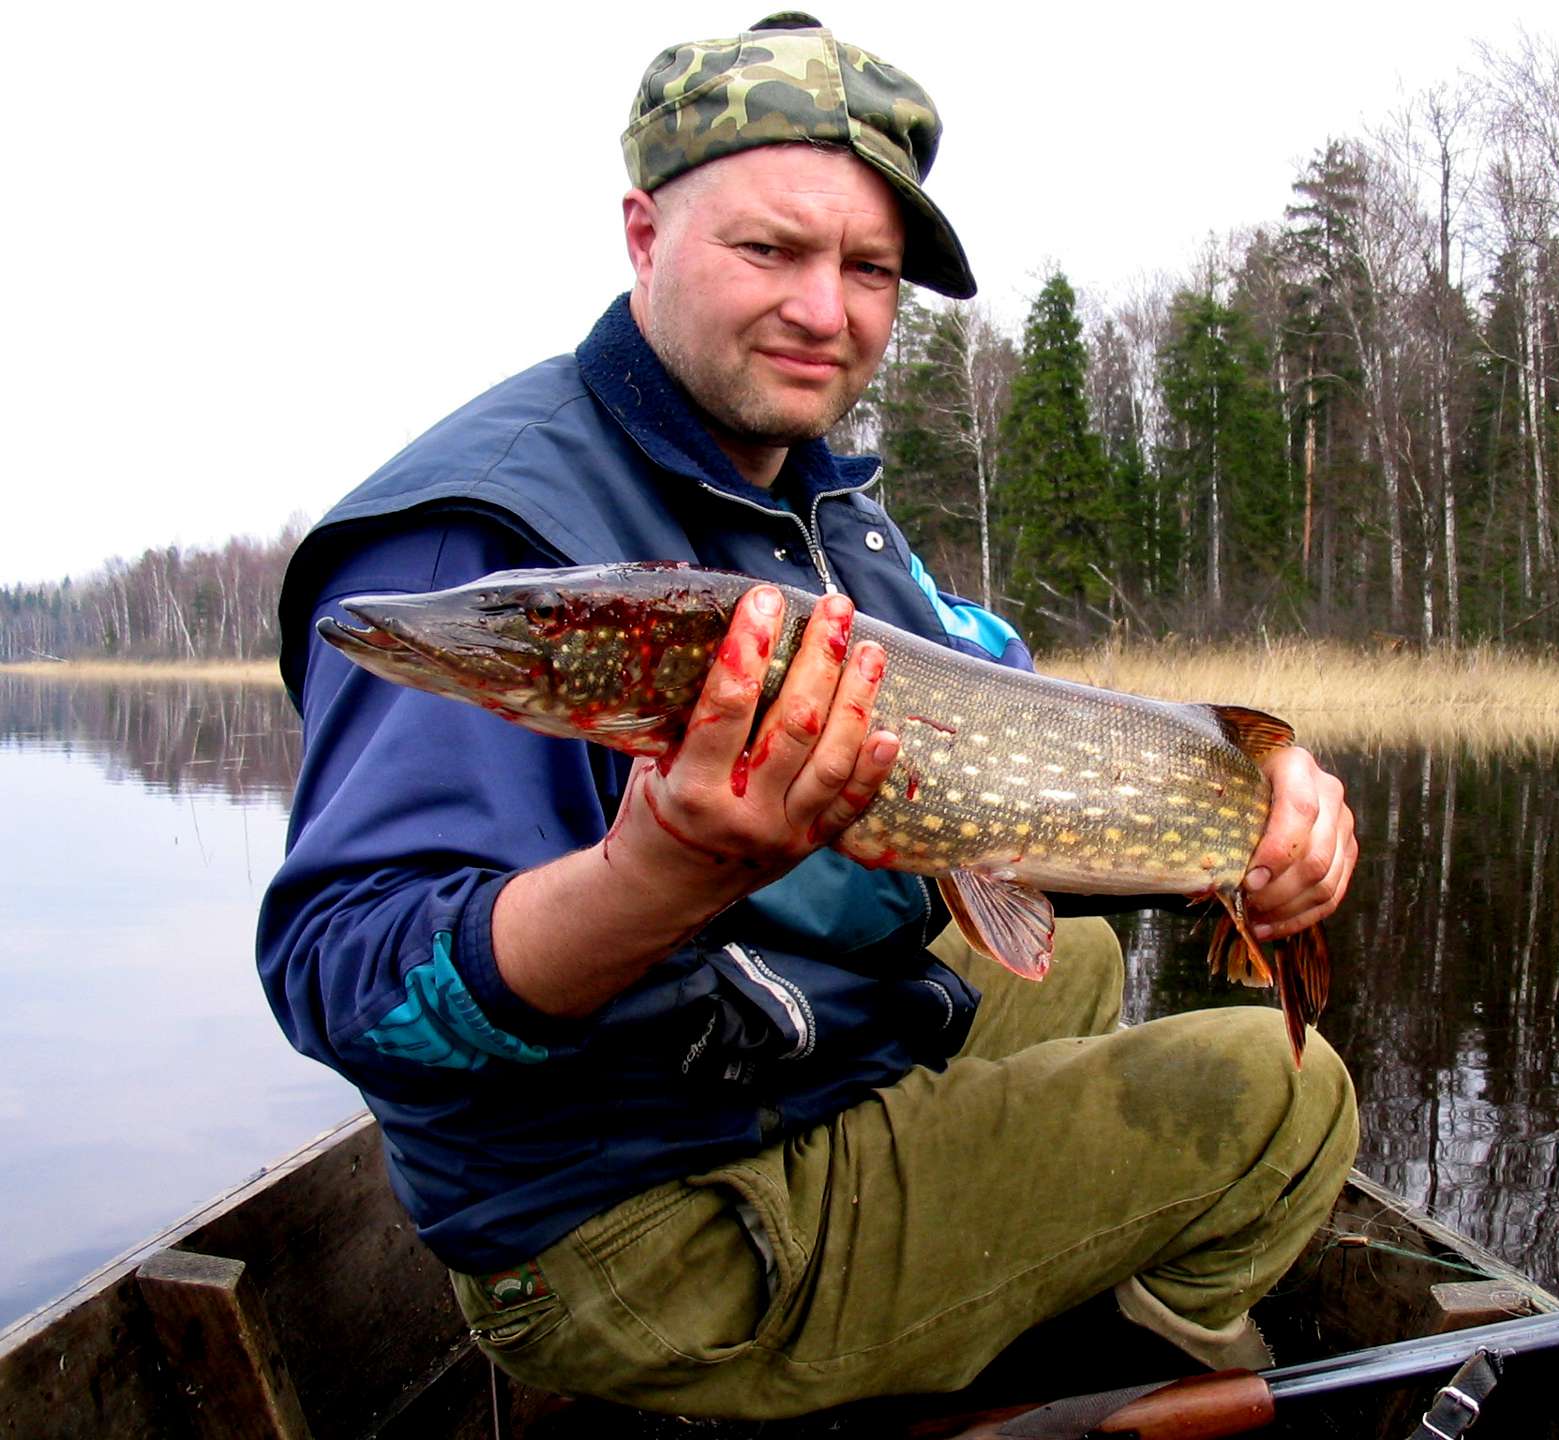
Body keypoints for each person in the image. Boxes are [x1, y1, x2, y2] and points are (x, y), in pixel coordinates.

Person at [259, 12, 1359, 1421]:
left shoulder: (809, 498)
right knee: (1281, 1098)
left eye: (869, 269)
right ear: (645, 236)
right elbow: (347, 990)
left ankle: (990, 1307)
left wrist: (1260, 804)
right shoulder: (472, 536)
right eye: (771, 250)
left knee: (1066, 963)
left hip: (764, 1078)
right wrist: (652, 881)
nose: (825, 310)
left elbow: (1011, 716)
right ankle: (1079, 1375)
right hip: (634, 1221)